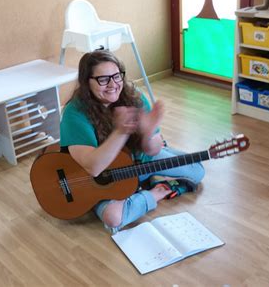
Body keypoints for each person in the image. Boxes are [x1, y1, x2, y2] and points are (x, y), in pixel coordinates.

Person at [60, 50, 205, 233]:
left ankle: (145, 184)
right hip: (101, 179)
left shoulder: (132, 95)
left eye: (116, 76)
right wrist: (122, 130)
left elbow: (151, 150)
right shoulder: (75, 113)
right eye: (103, 79)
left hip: (138, 163)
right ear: (86, 81)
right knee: (113, 217)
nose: (113, 84)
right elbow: (93, 167)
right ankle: (154, 192)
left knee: (197, 171)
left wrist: (149, 132)